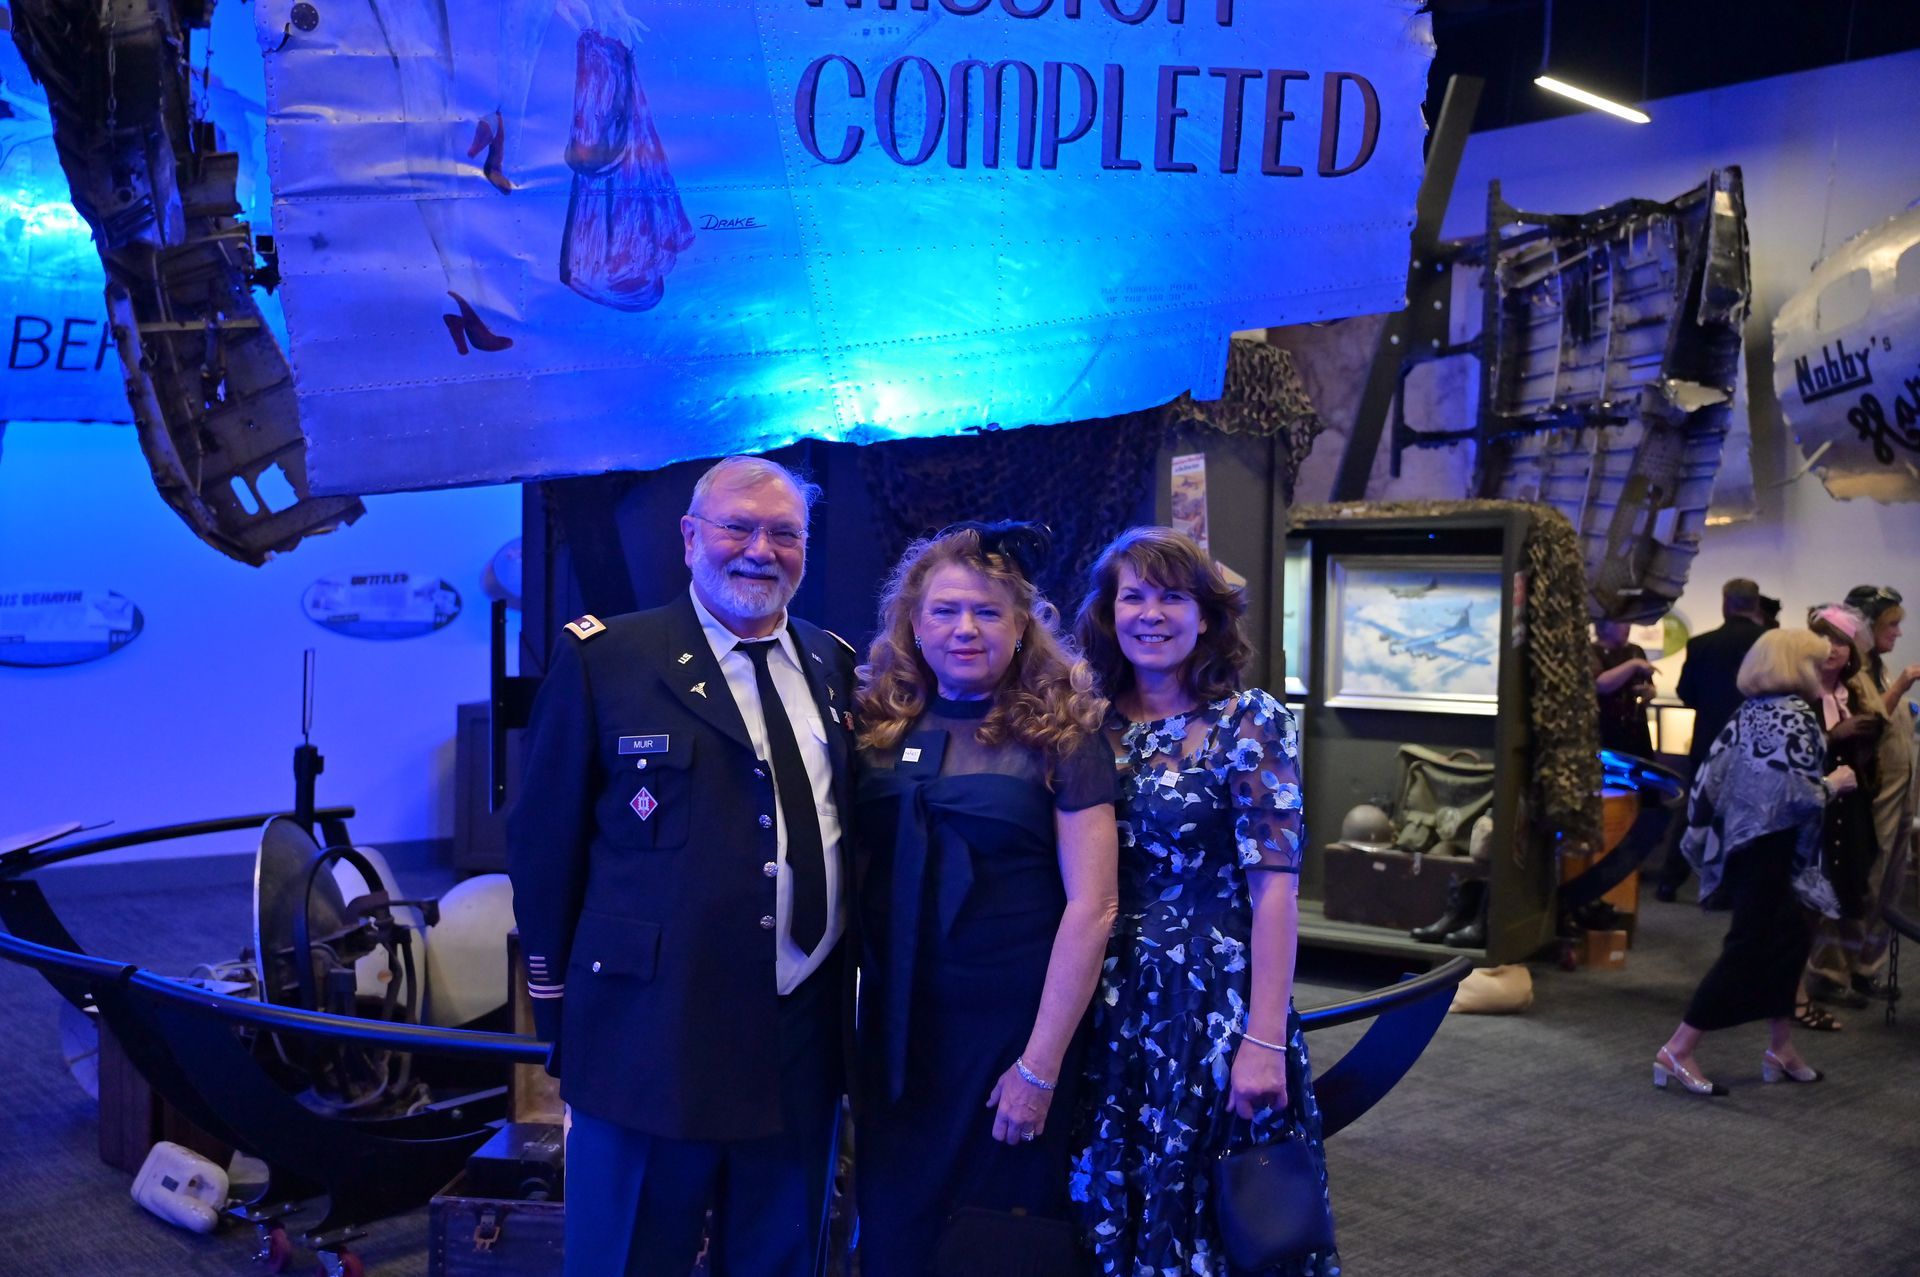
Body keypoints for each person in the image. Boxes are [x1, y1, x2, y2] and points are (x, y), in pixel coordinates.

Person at [507, 456, 856, 1277]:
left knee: (781, 1260)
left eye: (785, 533)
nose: (760, 550)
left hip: (797, 1041)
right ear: (690, 537)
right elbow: (543, 844)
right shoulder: (609, 659)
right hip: (648, 1038)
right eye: (739, 527)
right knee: (630, 1259)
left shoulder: (833, 664)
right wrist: (560, 1006)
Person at [851, 521, 1118, 1276]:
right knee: (895, 1232)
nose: (964, 629)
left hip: (1012, 1035)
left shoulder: (1063, 733)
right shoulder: (877, 724)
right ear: (912, 620)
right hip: (899, 1036)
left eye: (988, 612)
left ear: (1023, 624)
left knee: (996, 1241)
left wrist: (1038, 1066)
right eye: (944, 611)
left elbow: (1093, 907)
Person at [1071, 526, 1338, 1276]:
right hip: (1103, 999)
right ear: (1107, 609)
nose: (1151, 614)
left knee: (1212, 1207)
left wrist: (1263, 1037)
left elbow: (1276, 890)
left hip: (1211, 1006)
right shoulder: (1086, 718)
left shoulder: (1248, 721)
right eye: (1134, 596)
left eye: (1172, 597)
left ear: (1206, 614)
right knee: (1109, 1198)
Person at [1654, 629, 1854, 1096]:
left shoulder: (1752, 711)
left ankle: (1780, 1047)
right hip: (1772, 849)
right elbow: (1790, 792)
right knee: (1748, 947)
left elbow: (1716, 776)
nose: (1828, 668)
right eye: (1819, 661)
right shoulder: (1796, 715)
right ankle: (1678, 1048)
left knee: (1787, 943)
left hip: (1748, 845)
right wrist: (1835, 783)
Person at [1802, 602, 1905, 1015]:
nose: (1832, 649)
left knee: (1850, 888)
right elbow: (1793, 751)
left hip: (1853, 803)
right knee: (1812, 898)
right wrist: (1836, 735)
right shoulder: (1801, 689)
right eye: (1824, 639)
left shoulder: (1853, 688)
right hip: (1813, 806)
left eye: (1841, 642)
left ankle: (1828, 980)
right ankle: (1808, 985)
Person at [1657, 578, 1770, 901]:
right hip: (1753, 743)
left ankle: (1669, 881)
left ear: (1726, 602)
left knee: (1694, 811)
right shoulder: (1768, 643)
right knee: (1742, 814)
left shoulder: (1701, 644)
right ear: (1755, 603)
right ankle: (1728, 888)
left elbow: (1685, 693)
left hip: (1708, 739)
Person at [1593, 617, 1656, 757]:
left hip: (1636, 726)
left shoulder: (1636, 650)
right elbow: (1601, 684)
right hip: (1605, 727)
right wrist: (1634, 664)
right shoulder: (1593, 651)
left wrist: (1650, 692)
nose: (1628, 626)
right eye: (1622, 622)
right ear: (1605, 625)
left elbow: (1649, 684)